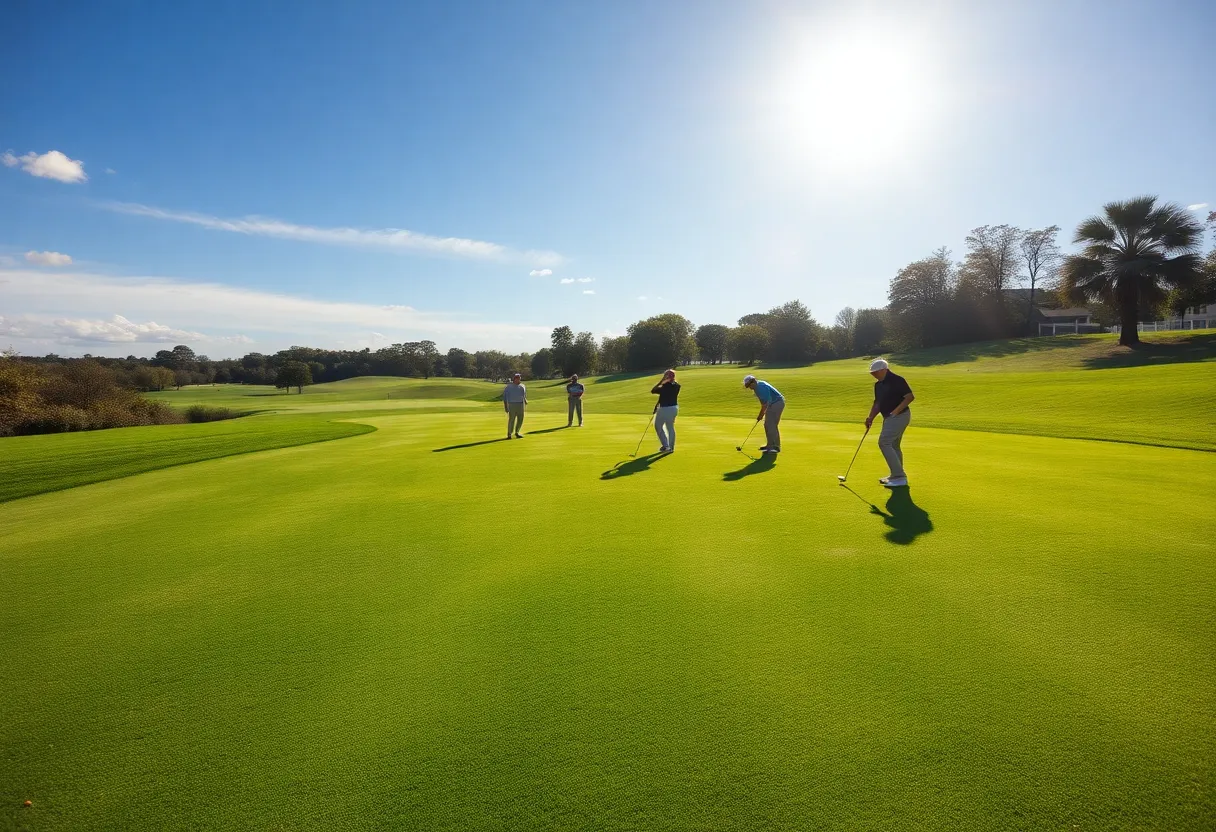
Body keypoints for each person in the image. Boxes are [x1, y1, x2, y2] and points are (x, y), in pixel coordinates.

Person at [865, 358, 914, 487]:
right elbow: (878, 403)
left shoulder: (897, 380)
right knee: (894, 445)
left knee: (884, 442)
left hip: (900, 416)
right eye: (872, 373)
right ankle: (896, 475)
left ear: (884, 370)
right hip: (889, 417)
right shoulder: (878, 385)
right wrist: (870, 417)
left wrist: (895, 412)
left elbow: (909, 397)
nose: (873, 375)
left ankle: (899, 476)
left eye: (875, 372)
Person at [743, 374, 784, 454]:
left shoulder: (761, 387)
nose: (749, 388)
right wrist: (761, 415)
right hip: (772, 404)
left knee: (771, 425)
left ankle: (776, 447)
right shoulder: (757, 388)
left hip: (777, 403)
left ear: (753, 382)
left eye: (749, 385)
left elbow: (765, 404)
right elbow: (763, 403)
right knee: (767, 425)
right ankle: (769, 445)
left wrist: (760, 415)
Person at [650, 369, 680, 452]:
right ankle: (670, 448)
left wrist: (661, 381)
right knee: (670, 427)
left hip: (665, 409)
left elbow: (653, 390)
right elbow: (664, 396)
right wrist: (657, 406)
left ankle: (666, 445)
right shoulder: (677, 386)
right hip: (674, 408)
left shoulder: (665, 386)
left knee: (658, 426)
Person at [502, 372, 527, 438]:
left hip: (520, 404)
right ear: (515, 379)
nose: (519, 380)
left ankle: (517, 432)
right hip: (512, 404)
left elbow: (523, 395)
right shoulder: (509, 387)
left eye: (520, 378)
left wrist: (525, 400)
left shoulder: (522, 386)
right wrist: (506, 407)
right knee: (512, 419)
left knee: (520, 419)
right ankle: (509, 434)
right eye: (518, 378)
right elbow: (504, 398)